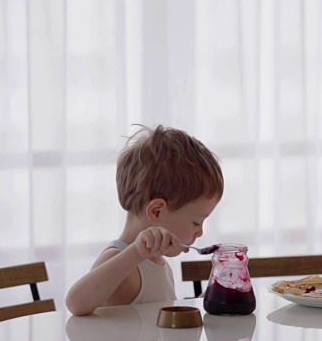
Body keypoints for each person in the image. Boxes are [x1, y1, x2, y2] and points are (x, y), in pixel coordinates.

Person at [66, 125, 224, 316]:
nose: (199, 232)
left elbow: (156, 321)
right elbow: (75, 303)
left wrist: (202, 302)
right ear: (157, 211)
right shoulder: (122, 260)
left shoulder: (158, 263)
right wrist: (136, 252)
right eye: (196, 223)